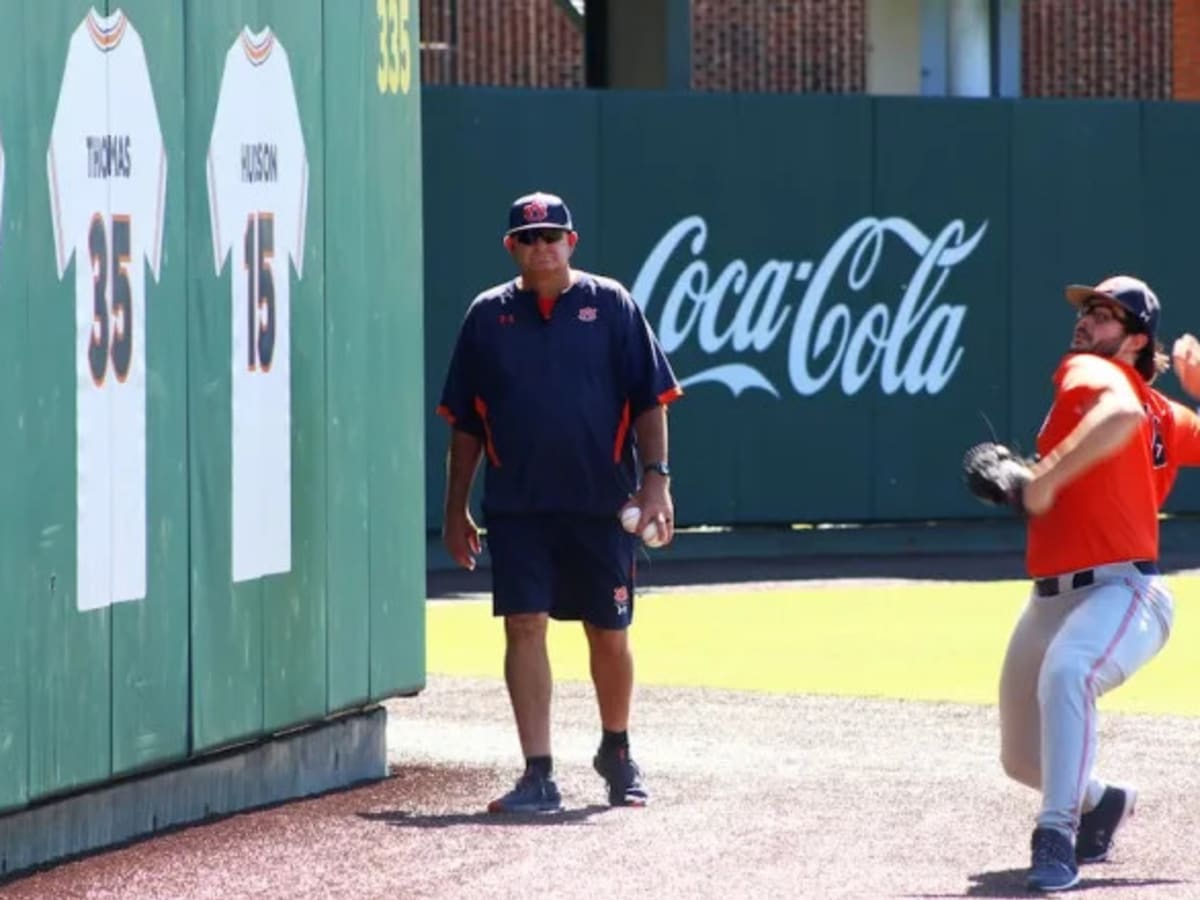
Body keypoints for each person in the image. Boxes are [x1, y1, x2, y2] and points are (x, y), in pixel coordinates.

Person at [436, 190, 682, 813]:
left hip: (599, 503)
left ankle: (617, 751)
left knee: (609, 633)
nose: (541, 246)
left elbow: (650, 397)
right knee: (524, 626)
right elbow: (464, 424)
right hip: (518, 506)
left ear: (572, 242)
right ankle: (538, 772)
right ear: (511, 247)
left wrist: (656, 480)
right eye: (529, 237)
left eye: (552, 236)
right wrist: (454, 508)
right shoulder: (486, 317)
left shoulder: (612, 304)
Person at [998, 275, 1200, 891]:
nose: (1087, 322)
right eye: (1087, 310)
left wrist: (1041, 478)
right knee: (1023, 758)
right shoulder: (1164, 413)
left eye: (1106, 315)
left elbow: (1117, 413)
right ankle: (1103, 801)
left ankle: (1055, 834)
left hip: (1123, 592)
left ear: (1136, 340)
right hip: (1052, 599)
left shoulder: (1092, 374)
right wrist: (1027, 480)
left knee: (1069, 672)